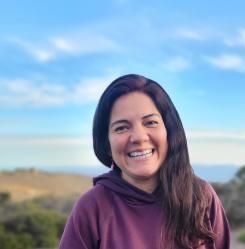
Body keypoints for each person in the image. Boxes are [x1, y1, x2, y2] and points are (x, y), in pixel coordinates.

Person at [59, 74, 230, 249]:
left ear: (169, 132)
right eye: (122, 127)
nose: (139, 138)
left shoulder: (201, 197)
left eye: (150, 122)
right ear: (107, 143)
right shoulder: (92, 207)